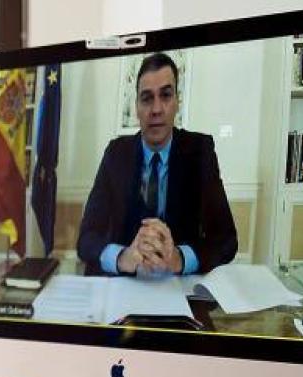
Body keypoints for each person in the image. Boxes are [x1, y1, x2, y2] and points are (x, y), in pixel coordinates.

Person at [76, 53, 238, 276]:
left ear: (177, 102)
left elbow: (226, 240)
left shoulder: (200, 151)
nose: (156, 109)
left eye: (166, 95)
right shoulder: (116, 153)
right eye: (147, 98)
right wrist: (122, 257)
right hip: (125, 286)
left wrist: (180, 259)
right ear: (137, 108)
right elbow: (87, 238)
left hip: (177, 287)